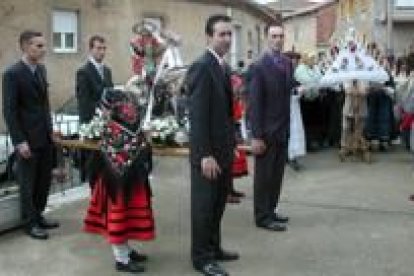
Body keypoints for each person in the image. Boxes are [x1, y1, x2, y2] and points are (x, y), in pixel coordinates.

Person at [187, 14, 239, 276]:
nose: (227, 39)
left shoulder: (221, 66)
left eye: (230, 34)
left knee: (218, 205)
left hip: (223, 151)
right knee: (204, 208)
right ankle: (201, 258)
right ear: (209, 36)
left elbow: (225, 113)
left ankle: (214, 248)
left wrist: (232, 144)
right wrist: (205, 154)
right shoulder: (201, 66)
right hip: (208, 155)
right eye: (222, 34)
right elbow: (197, 116)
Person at [83, 89, 155, 273]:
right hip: (116, 183)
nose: (130, 110)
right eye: (125, 106)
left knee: (127, 218)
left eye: (130, 106)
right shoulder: (112, 128)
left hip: (129, 181)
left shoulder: (126, 125)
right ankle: (121, 259)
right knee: (119, 217)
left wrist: (145, 138)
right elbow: (124, 151)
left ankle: (126, 250)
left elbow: (138, 147)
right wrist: (143, 140)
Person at [2, 30, 59, 240]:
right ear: (25, 46)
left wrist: (51, 129)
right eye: (38, 46)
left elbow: (44, 104)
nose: (43, 50)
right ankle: (30, 223)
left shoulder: (41, 70)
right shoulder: (12, 74)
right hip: (27, 139)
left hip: (44, 136)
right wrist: (19, 141)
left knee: (44, 181)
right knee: (28, 183)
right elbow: (9, 110)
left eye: (43, 46)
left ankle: (39, 215)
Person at [249, 23, 297, 232]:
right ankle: (262, 216)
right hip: (266, 132)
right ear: (267, 38)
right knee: (264, 176)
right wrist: (256, 135)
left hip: (282, 129)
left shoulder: (287, 63)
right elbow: (255, 103)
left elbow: (288, 91)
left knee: (277, 175)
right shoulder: (258, 66)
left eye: (281, 36)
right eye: (274, 36)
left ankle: (271, 209)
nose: (278, 39)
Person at [76, 35, 113, 182]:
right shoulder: (83, 72)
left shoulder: (108, 71)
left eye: (104, 48)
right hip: (92, 127)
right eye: (98, 48)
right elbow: (84, 102)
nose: (102, 52)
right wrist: (100, 111)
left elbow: (111, 95)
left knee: (107, 172)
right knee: (94, 172)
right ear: (91, 49)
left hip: (108, 127)